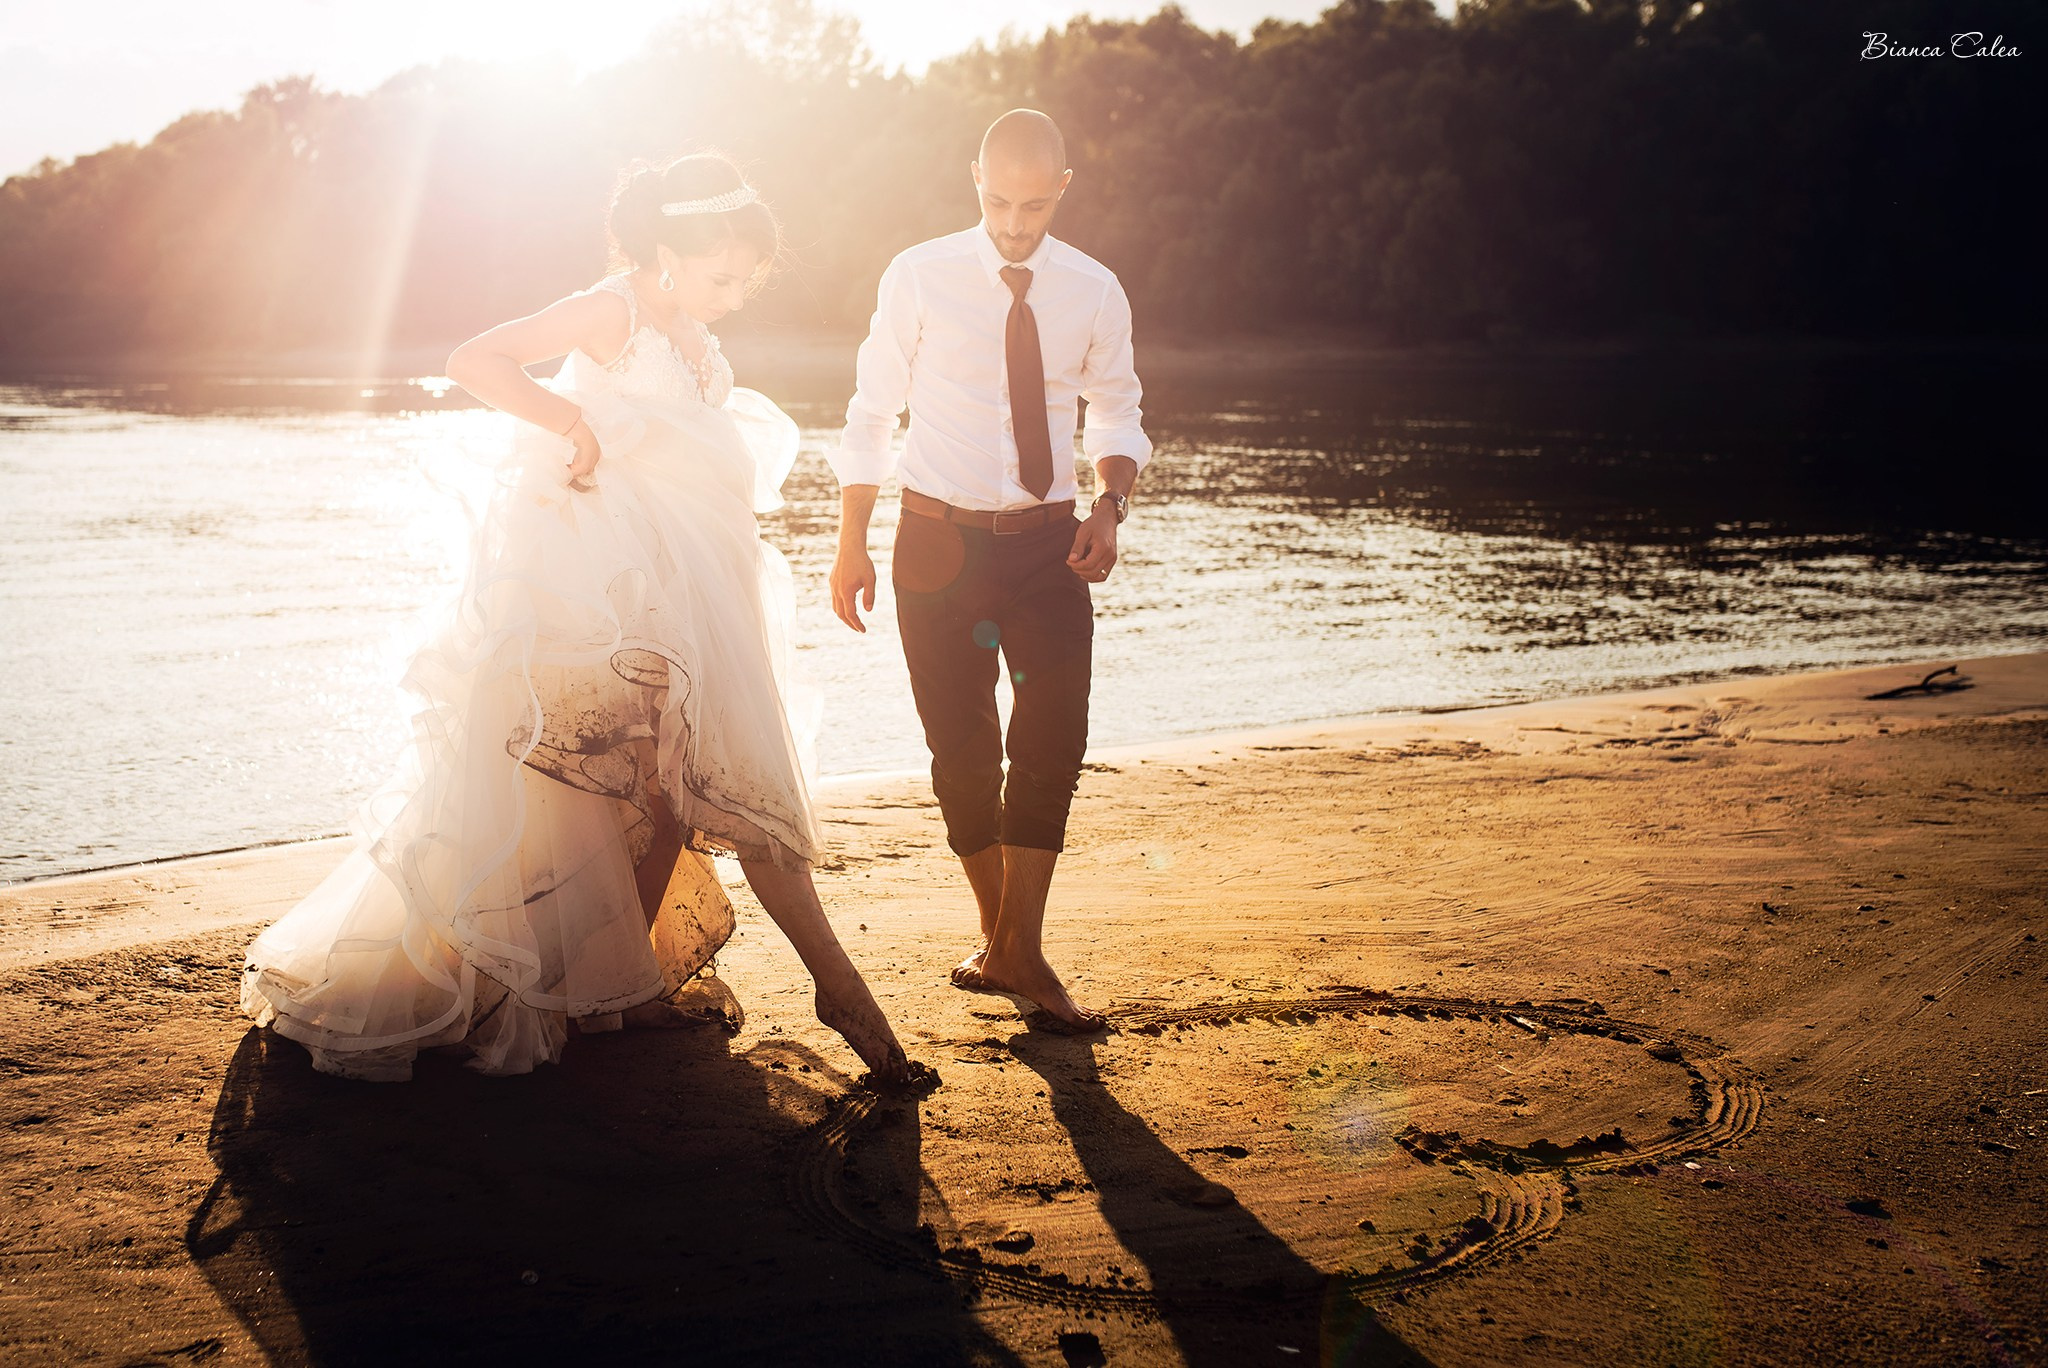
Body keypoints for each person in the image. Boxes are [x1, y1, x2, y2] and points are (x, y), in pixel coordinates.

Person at [241, 152, 911, 1083]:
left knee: (675, 791)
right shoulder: (613, 309)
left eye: (746, 278)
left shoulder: (691, 330)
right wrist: (570, 422)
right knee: (689, 775)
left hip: (698, 578)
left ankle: (618, 990)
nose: (735, 291)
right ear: (665, 250)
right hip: (618, 590)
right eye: (722, 273)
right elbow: (474, 359)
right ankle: (831, 993)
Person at [828, 110, 1149, 1031]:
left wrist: (1109, 504)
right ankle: (1001, 941)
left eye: (1035, 204)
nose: (1016, 221)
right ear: (975, 178)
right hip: (936, 543)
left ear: (1064, 187)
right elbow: (871, 411)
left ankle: (1021, 949)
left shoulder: (1094, 290)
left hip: (1050, 544)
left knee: (1052, 738)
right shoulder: (918, 275)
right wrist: (850, 540)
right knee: (960, 751)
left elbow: (1119, 411)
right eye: (1001, 201)